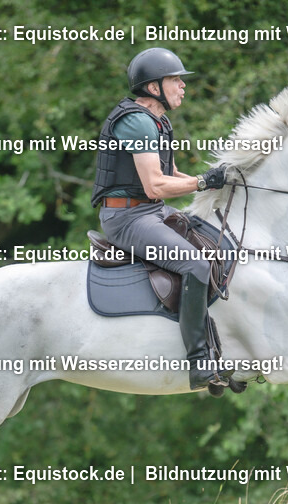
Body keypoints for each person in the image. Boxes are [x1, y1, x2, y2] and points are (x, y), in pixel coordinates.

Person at [91, 47, 228, 390]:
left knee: (214, 242)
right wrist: (200, 183)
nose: (182, 86)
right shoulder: (136, 121)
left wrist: (210, 183)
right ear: (154, 88)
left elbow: (170, 173)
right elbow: (155, 186)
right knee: (196, 265)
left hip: (150, 210)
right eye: (175, 80)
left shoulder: (157, 120)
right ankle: (199, 361)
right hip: (128, 218)